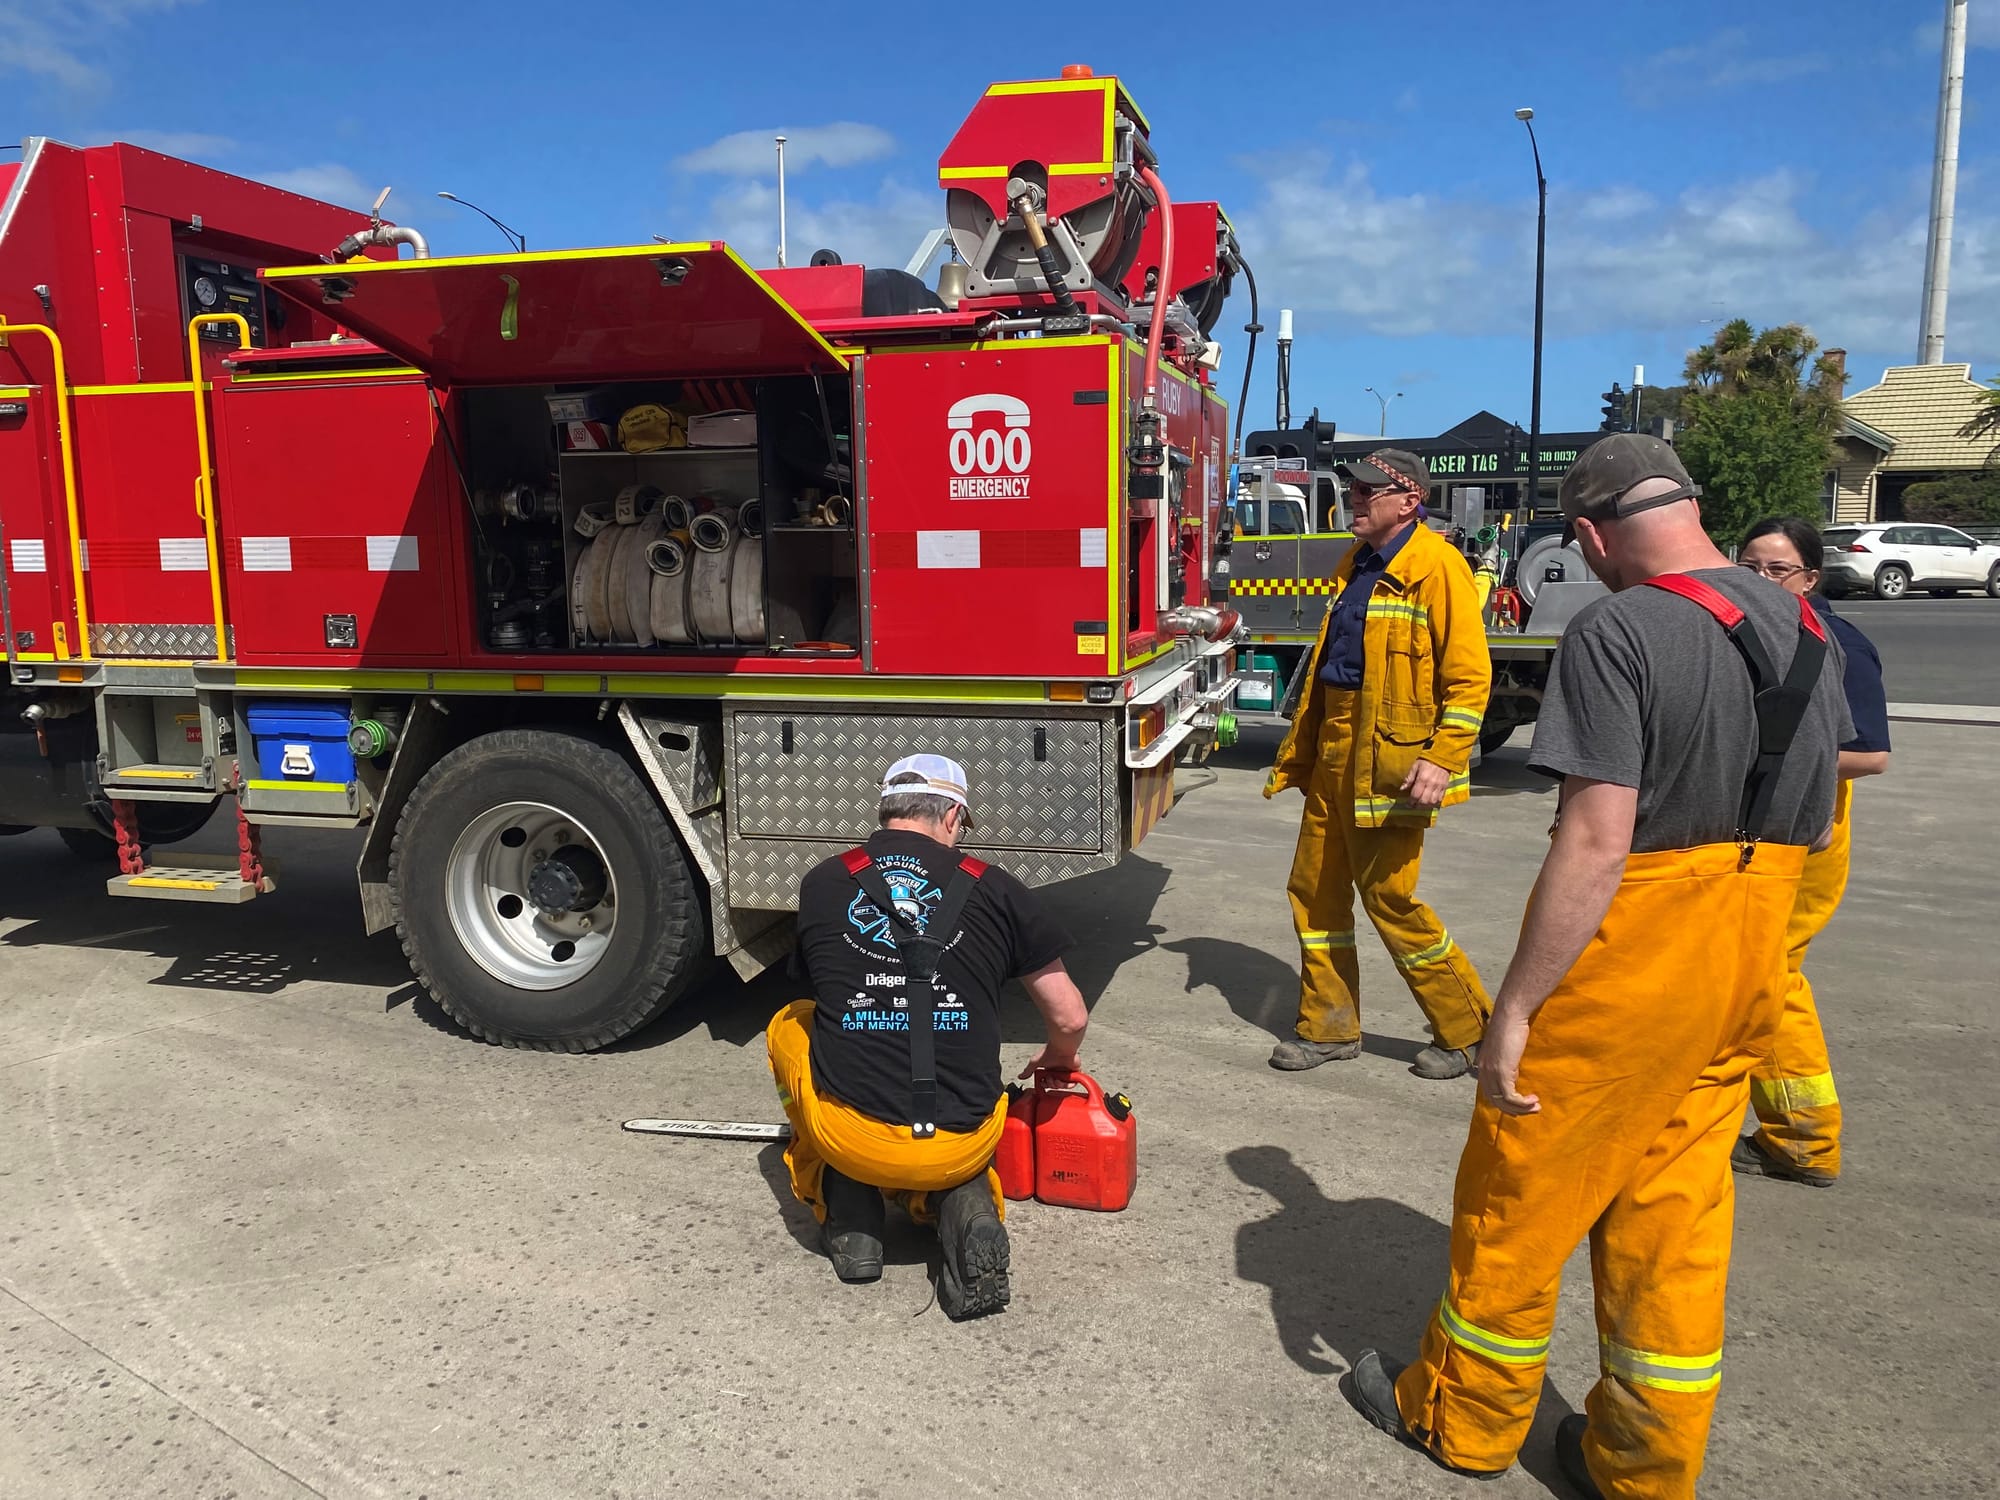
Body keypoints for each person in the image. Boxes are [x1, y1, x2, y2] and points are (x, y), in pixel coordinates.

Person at [1348, 435, 1850, 1498]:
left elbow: (1595, 840)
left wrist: (1515, 1010)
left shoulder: (1620, 626)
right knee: (1674, 1223)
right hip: (1744, 968)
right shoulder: (1808, 625)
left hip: (1634, 964)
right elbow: (1819, 799)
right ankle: (1642, 1466)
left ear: (1586, 534)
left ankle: (1463, 1424)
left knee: (1515, 1198)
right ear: (1692, 508)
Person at [764, 753, 1088, 1320]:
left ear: (886, 810)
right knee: (947, 1140)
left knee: (789, 1023)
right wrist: (1058, 1058)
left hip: (853, 1136)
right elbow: (1068, 1017)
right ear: (954, 816)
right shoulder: (997, 890)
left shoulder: (823, 882)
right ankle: (958, 1196)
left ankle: (850, 1212)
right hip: (964, 1139)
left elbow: (825, 988)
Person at [1262, 447, 1493, 1080]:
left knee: (1390, 897)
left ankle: (1469, 1030)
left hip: (1389, 759)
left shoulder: (1436, 568)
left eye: (1368, 492)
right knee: (1313, 893)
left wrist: (1443, 758)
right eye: (1352, 489)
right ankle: (1329, 1026)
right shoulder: (1357, 563)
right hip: (1338, 746)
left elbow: (1470, 681)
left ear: (1409, 500)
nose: (1354, 499)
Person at [1732, 516, 1891, 1187]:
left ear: (1811, 578)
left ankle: (1804, 1139)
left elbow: (1870, 755)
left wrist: (1770, 756)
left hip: (1809, 833)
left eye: (1778, 571)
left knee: (1771, 976)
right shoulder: (1751, 633)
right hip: (1763, 826)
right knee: (1755, 971)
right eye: (1750, 568)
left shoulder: (1836, 640)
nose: (1762, 582)